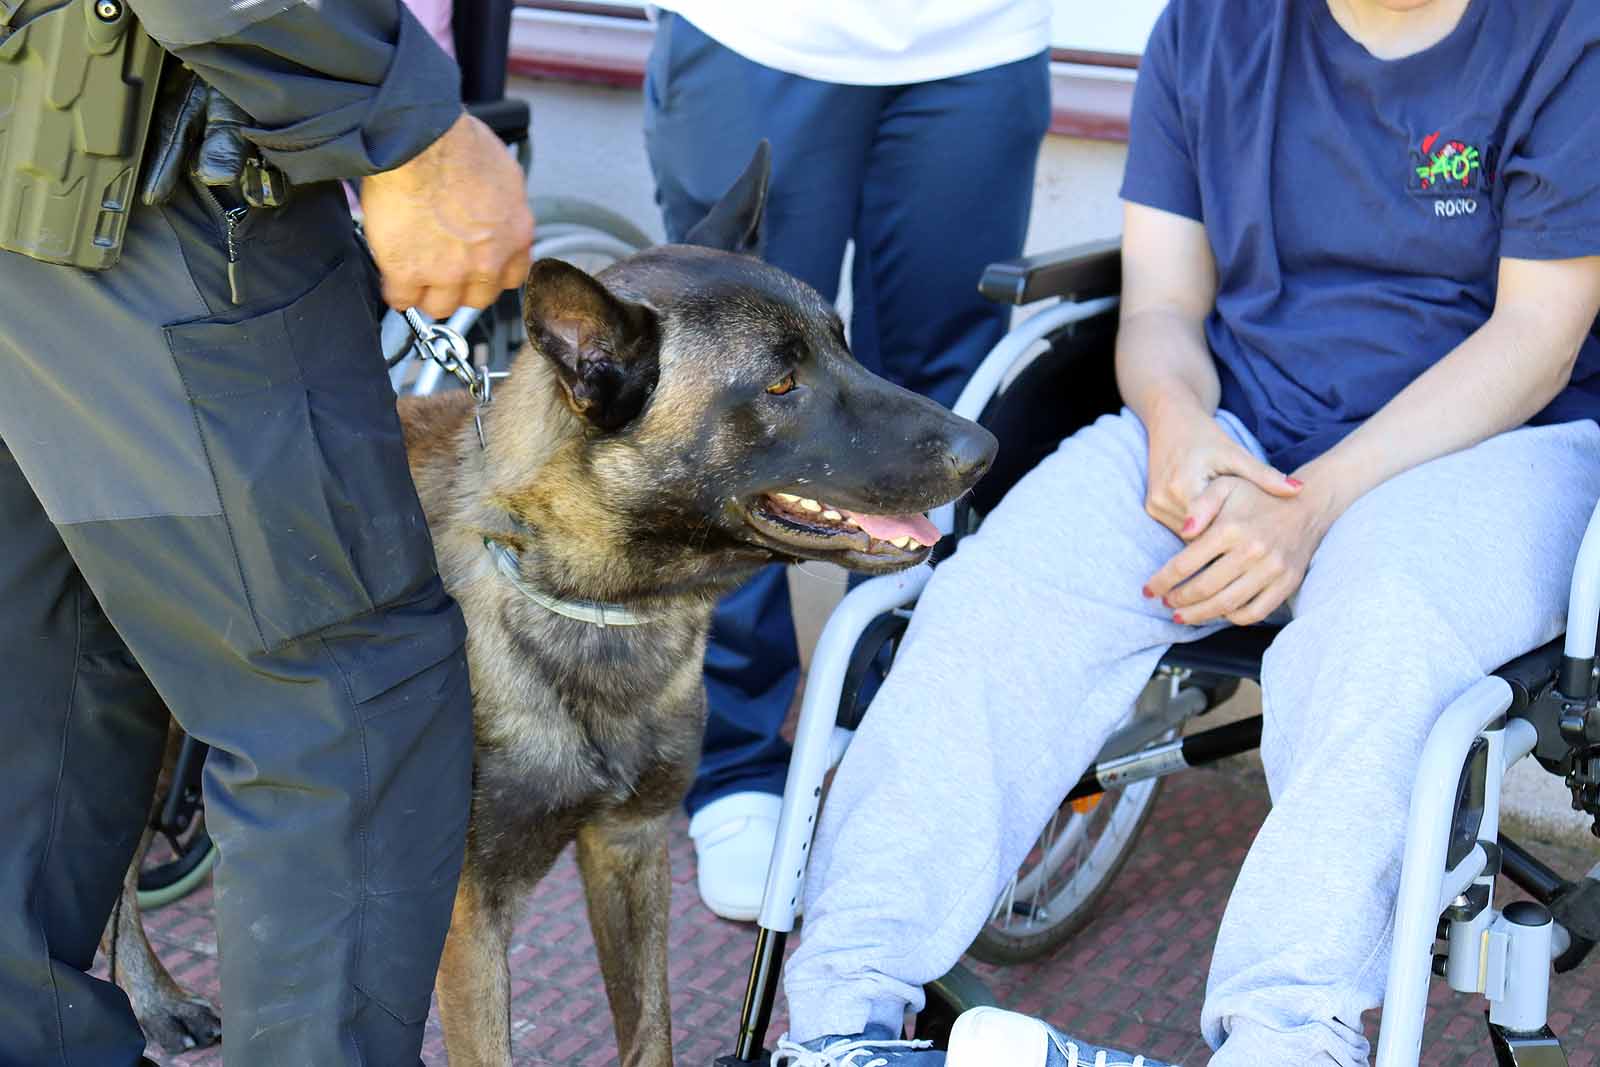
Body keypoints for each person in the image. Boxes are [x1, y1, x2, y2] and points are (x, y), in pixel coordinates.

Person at [771, 0, 1600, 1063]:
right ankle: (846, 1010)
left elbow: (1534, 336)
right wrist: (1176, 426)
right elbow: (1161, 304)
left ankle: (1286, 1037)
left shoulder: (1563, 34)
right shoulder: (1210, 27)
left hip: (1490, 445)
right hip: (1237, 424)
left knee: (1374, 638)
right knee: (994, 599)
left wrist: (1316, 502)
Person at [0, 2, 532, 1064]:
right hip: (132, 179)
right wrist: (407, 129)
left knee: (47, 661)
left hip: (53, 160)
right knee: (342, 699)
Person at [641, 0, 1054, 921]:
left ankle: (894, 732)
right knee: (735, 411)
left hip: (980, 40)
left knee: (948, 398)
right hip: (760, 33)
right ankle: (735, 765)